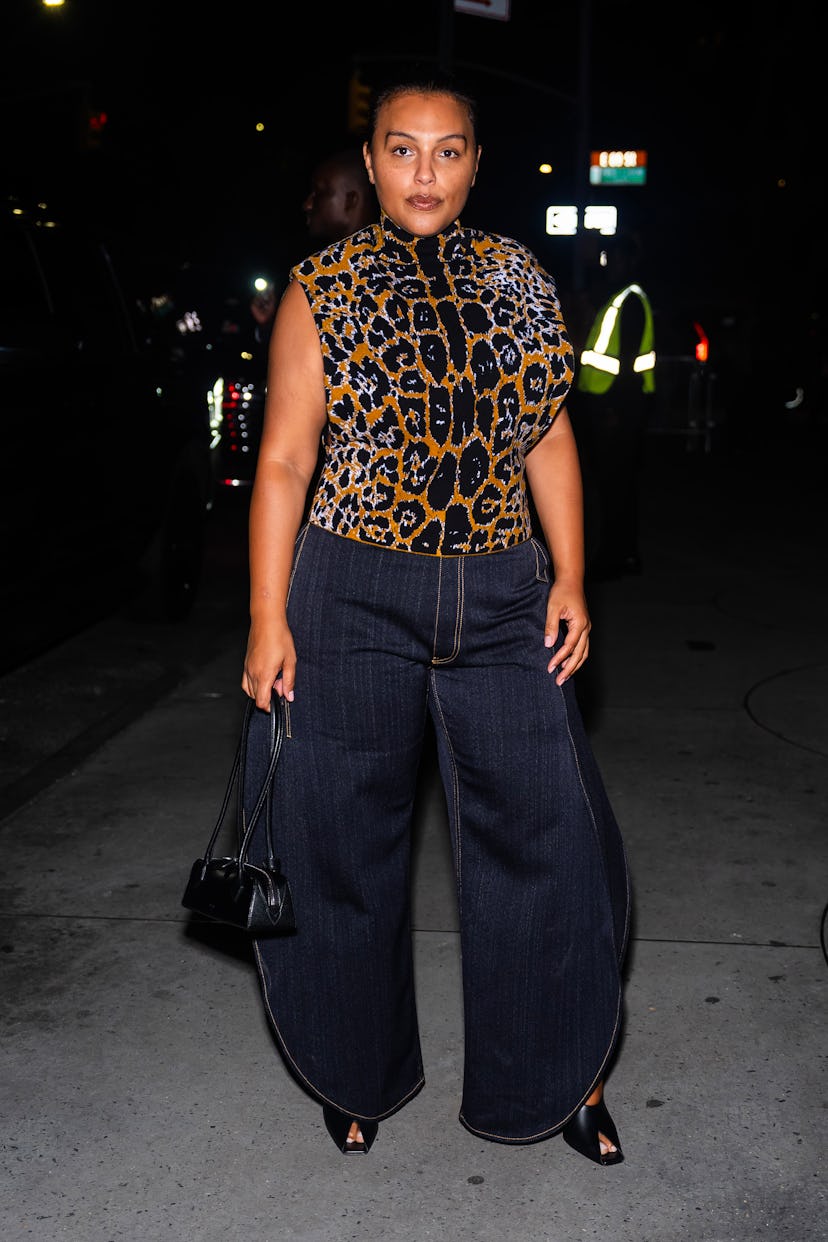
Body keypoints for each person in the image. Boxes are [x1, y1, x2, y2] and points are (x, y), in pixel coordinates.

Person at [241, 79, 630, 1162]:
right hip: (351, 586)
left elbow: (548, 437)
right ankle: (353, 1070)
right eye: (401, 150)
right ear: (369, 163)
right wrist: (269, 617)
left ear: (473, 162)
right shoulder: (320, 288)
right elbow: (283, 460)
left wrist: (572, 576)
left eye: (446, 152)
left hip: (506, 590)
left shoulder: (517, 277)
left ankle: (563, 1077)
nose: (423, 173)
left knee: (548, 837)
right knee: (341, 841)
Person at [569, 232, 656, 580]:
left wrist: (615, 409)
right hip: (616, 405)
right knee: (614, 485)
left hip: (619, 407)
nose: (610, 264)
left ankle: (618, 555)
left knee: (616, 486)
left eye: (615, 258)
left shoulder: (630, 299)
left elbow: (629, 362)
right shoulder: (620, 297)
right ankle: (620, 553)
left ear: (629, 261)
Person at [249, 146, 378, 339]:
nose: (308, 204)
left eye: (320, 192)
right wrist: (269, 324)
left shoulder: (372, 275)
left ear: (350, 200)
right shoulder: (323, 271)